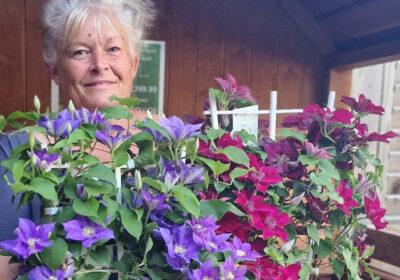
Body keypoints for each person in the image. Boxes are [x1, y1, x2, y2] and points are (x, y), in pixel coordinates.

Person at [0, 0, 156, 278]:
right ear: (54, 70)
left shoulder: (172, 146)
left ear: (133, 63)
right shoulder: (17, 152)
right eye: (80, 52)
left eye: (113, 49)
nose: (99, 64)